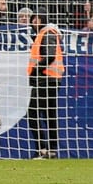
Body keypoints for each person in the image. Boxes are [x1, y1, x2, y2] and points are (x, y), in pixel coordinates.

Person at [26, 11, 65, 160]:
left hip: (46, 79)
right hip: (50, 79)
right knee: (49, 114)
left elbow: (49, 56)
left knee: (34, 113)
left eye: (37, 19)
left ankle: (42, 149)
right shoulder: (47, 33)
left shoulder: (47, 33)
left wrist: (36, 71)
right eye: (33, 19)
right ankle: (51, 150)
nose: (34, 22)